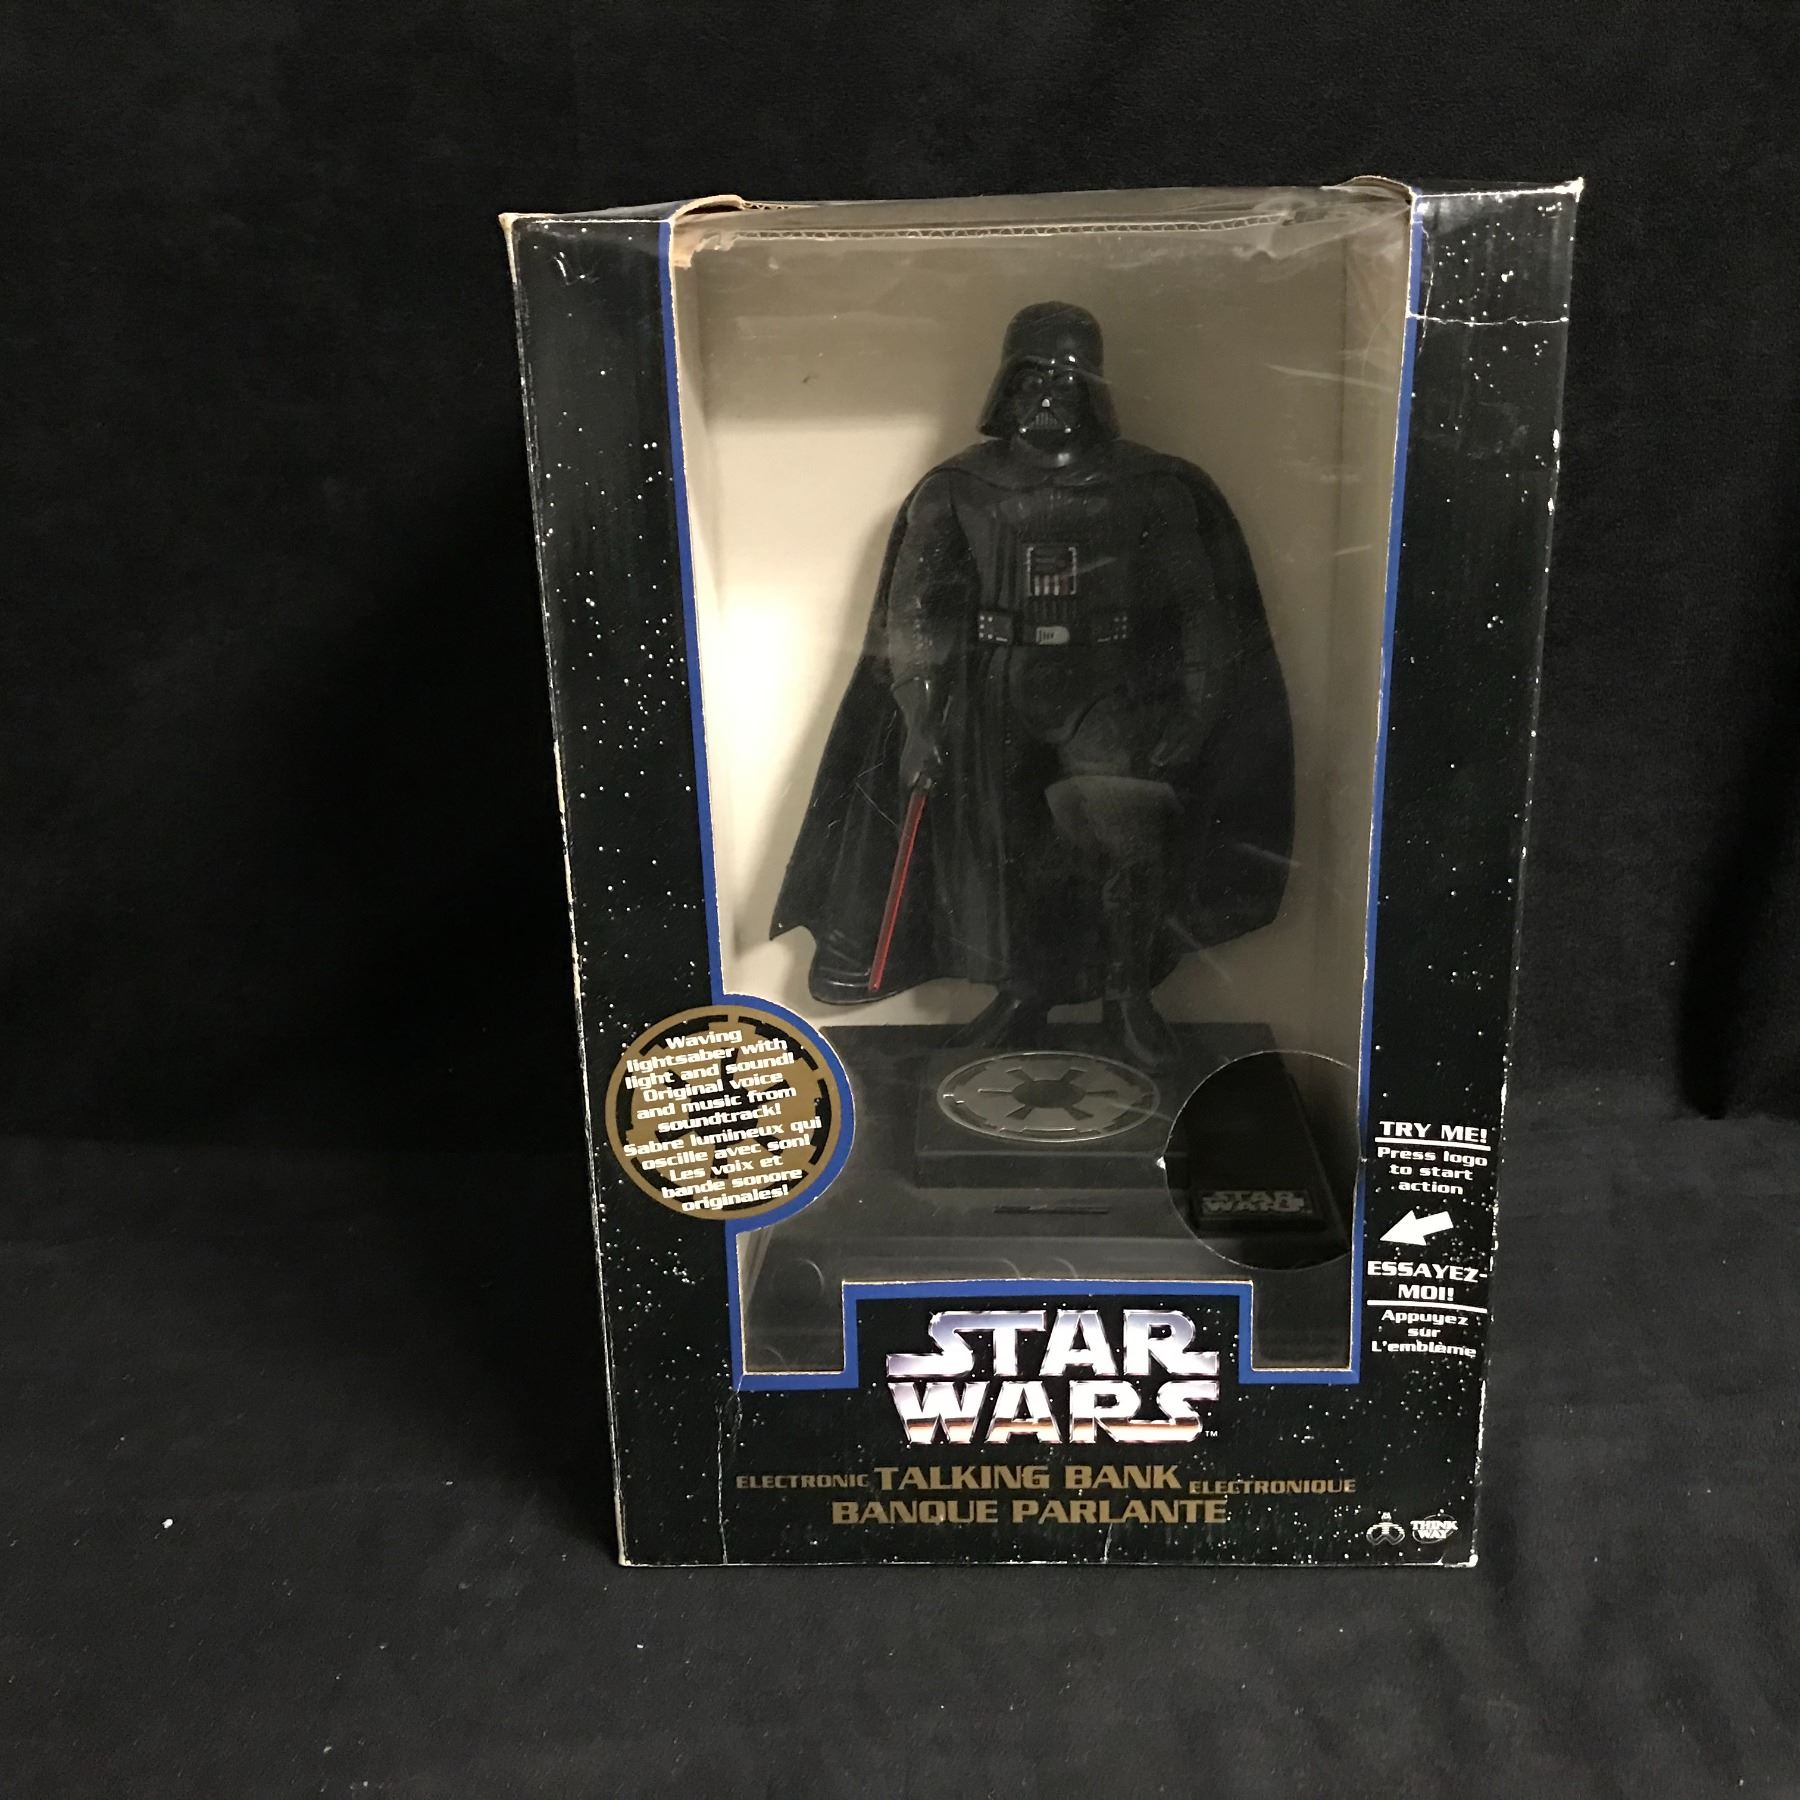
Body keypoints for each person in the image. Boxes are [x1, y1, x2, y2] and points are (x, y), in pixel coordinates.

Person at [772, 301, 1292, 1070]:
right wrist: (920, 718)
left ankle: (1127, 996)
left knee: (1126, 847)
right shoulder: (958, 487)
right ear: (1005, 386)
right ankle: (1024, 992)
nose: (1046, 396)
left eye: (1064, 380)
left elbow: (1199, 610)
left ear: (1094, 389)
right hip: (999, 692)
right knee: (1007, 851)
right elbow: (912, 617)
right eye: (1031, 379)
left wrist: (1197, 705)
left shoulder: (1152, 485)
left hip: (1109, 691)